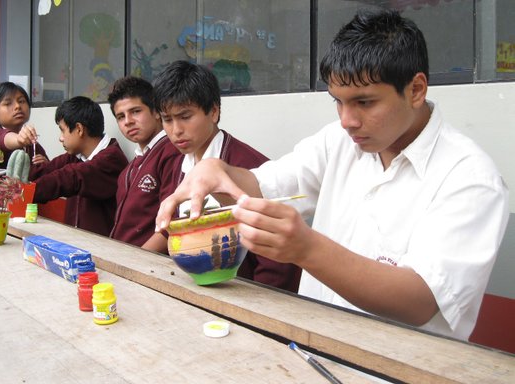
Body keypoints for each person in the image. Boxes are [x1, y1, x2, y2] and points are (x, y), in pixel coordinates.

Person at [155, 9, 509, 340]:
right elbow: (263, 186)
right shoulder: (338, 142)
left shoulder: (469, 178)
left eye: (365, 102)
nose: (347, 120)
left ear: (415, 89)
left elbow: (419, 302)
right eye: (337, 101)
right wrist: (215, 170)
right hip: (313, 351)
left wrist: (307, 249)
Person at [152, 60, 302, 293]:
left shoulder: (250, 170)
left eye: (185, 116)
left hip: (244, 296)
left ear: (213, 111)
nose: (175, 130)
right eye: (167, 119)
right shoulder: (176, 163)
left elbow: (278, 264)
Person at [29, 96, 128, 236]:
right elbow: (45, 172)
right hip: (75, 245)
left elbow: (69, 177)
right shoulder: (76, 156)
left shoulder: (112, 160)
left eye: (62, 130)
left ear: (79, 129)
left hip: (101, 250)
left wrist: (25, 193)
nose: (60, 138)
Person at [107, 76, 183, 253]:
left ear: (156, 112)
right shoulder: (130, 168)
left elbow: (172, 225)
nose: (128, 121)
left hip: (148, 267)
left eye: (135, 111)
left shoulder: (172, 152)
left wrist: (136, 263)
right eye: (120, 116)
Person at [0, 82, 48, 171]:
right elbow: (0, 139)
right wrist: (18, 139)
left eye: (21, 101)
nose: (18, 106)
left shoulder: (33, 145)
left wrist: (46, 166)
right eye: (8, 103)